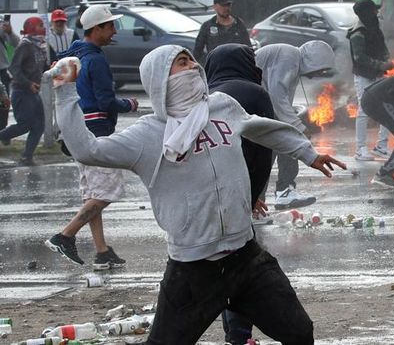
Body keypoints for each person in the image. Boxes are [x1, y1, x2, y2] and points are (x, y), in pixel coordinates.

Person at [52, 44, 346, 344]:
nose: (193, 66)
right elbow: (87, 150)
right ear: (159, 78)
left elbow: (262, 128)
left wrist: (308, 153)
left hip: (246, 258)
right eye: (181, 63)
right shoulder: (147, 135)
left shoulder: (222, 106)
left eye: (192, 60)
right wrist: (65, 92)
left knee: (299, 332)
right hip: (193, 271)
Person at [45, 5, 140, 269]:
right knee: (107, 192)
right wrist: (129, 104)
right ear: (96, 29)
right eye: (110, 26)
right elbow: (106, 100)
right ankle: (65, 235)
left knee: (93, 193)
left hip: (74, 130)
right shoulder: (95, 59)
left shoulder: (72, 55)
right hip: (96, 131)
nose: (114, 31)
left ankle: (102, 251)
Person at [204, 43, 276, 345]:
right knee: (242, 266)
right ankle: (239, 334)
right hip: (240, 193)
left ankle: (231, 332)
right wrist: (256, 192)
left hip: (207, 195)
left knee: (217, 265)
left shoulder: (204, 95)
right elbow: (266, 145)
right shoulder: (255, 93)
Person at [255, 41, 336, 209]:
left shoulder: (291, 59)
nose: (317, 75)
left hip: (259, 104)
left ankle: (279, 193)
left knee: (283, 143)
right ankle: (259, 199)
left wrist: (293, 126)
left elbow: (279, 98)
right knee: (279, 144)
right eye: (320, 70)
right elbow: (278, 97)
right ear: (314, 61)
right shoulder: (289, 57)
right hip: (253, 105)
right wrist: (298, 127)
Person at [0, 17, 49, 165]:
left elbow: (42, 67)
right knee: (25, 125)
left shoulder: (40, 45)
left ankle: (27, 156)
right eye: (40, 25)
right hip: (22, 91)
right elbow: (13, 68)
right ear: (32, 28)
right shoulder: (25, 45)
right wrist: (28, 83)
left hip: (33, 91)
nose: (43, 28)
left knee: (40, 124)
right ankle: (3, 136)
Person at [347, 0, 391, 161]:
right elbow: (360, 59)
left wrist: (386, 60)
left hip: (378, 75)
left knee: (387, 107)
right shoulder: (357, 33)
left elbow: (382, 47)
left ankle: (382, 146)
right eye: (373, 11)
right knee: (364, 110)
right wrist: (381, 65)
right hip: (364, 76)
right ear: (366, 13)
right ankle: (360, 149)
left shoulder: (374, 28)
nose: (376, 13)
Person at [193, 0, 251, 64]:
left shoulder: (239, 24)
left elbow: (248, 48)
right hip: (216, 68)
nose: (226, 8)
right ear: (215, 7)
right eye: (223, 5)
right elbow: (197, 51)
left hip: (237, 67)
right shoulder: (207, 26)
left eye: (228, 5)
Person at [0, 16, 20, 132]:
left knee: (4, 102)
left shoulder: (1, 26)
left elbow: (15, 42)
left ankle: (2, 131)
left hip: (1, 70)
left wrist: (10, 32)